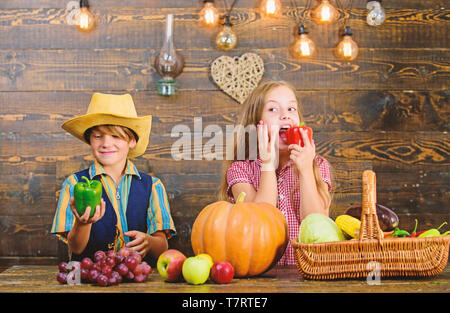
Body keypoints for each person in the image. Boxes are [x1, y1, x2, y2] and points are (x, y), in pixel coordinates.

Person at [51, 93, 176, 263]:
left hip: (139, 283)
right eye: (98, 136)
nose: (106, 143)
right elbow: (75, 248)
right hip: (93, 282)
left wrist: (149, 241)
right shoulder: (73, 185)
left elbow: (162, 247)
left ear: (131, 141)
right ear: (89, 140)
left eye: (115, 136)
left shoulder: (153, 186)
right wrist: (83, 223)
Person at [219, 80, 333, 265]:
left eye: (291, 109)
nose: (285, 116)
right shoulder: (240, 170)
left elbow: (317, 225)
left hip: (310, 272)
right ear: (256, 123)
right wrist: (267, 164)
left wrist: (305, 171)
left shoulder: (317, 165)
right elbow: (258, 222)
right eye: (273, 109)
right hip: (260, 275)